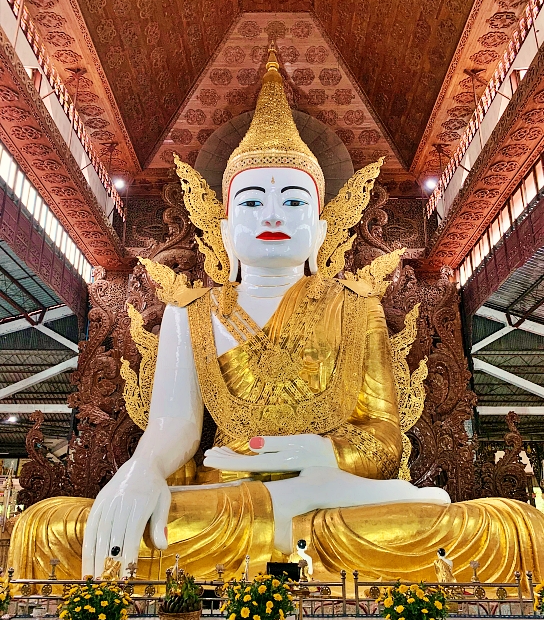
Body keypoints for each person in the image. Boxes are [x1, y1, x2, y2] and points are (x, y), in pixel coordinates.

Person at [8, 47, 544, 591]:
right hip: (221, 502)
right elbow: (174, 428)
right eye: (250, 202)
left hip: (337, 508)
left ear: (319, 230)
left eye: (292, 202)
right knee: (47, 528)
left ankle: (303, 500)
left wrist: (322, 453)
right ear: (224, 230)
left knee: (510, 527)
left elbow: (385, 440)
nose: (271, 214)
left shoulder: (358, 308)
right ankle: (290, 506)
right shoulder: (188, 314)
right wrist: (142, 471)